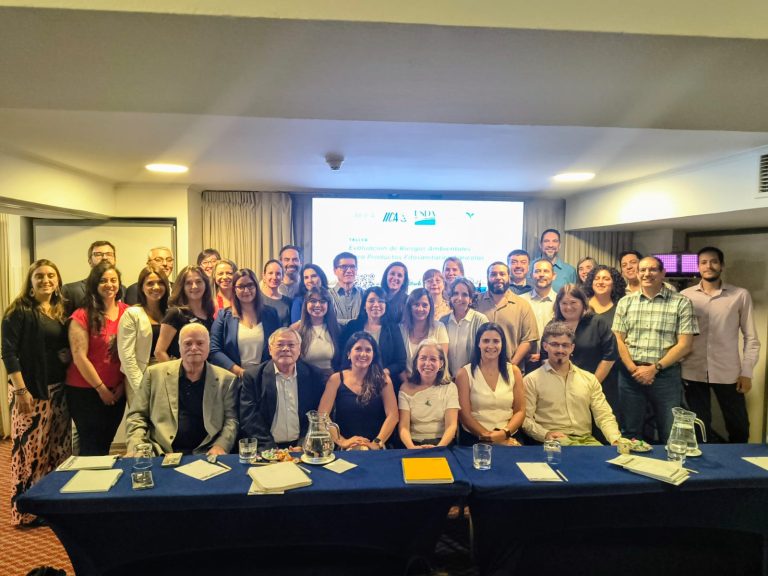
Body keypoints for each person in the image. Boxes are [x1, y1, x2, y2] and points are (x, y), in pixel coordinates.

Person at [2, 259, 71, 526]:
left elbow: (57, 345)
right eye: (39, 276)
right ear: (30, 281)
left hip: (58, 390)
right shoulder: (18, 310)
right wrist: (20, 390)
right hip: (30, 392)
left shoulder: (59, 309)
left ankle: (51, 505)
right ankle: (25, 511)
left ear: (58, 280)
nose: (46, 280)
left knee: (57, 449)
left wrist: (65, 355)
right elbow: (8, 353)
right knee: (30, 452)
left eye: (51, 275)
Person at [612, 256, 698, 443]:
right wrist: (633, 369)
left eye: (652, 269)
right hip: (630, 376)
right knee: (629, 432)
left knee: (669, 432)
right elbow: (618, 339)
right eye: (642, 270)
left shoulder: (681, 302)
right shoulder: (625, 302)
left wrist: (654, 368)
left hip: (665, 375)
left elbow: (685, 344)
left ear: (662, 273)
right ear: (637, 273)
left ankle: (670, 462)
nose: (647, 274)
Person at [681, 247, 761, 443]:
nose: (708, 266)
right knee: (699, 428)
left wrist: (747, 372)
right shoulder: (684, 296)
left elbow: (751, 338)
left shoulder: (739, 295)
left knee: (739, 426)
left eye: (714, 261)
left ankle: (739, 461)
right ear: (698, 267)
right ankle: (704, 461)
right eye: (703, 262)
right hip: (692, 371)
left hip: (728, 373)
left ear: (722, 265)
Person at [125, 323, 238, 455]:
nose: (194, 348)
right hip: (160, 452)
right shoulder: (153, 374)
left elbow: (231, 420)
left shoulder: (227, 380)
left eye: (200, 343)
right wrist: (137, 446)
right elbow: (137, 416)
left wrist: (221, 446)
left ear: (208, 347)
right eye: (188, 343)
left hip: (207, 452)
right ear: (179, 347)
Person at [65, 261, 128, 455]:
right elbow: (79, 357)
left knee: (105, 443)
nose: (109, 284)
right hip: (86, 392)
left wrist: (122, 385)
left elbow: (132, 355)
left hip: (117, 391)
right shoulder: (82, 315)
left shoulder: (129, 312)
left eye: (113, 280)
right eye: (103, 281)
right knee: (91, 446)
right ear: (94, 284)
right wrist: (101, 389)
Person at [523, 322, 621, 445]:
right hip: (552, 442)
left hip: (587, 441)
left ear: (572, 347)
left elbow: (604, 415)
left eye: (565, 345)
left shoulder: (589, 379)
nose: (560, 350)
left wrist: (615, 439)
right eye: (554, 344)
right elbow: (525, 419)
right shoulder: (531, 380)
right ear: (545, 346)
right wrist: (545, 434)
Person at [239, 327, 327, 449]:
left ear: (299, 349)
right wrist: (270, 449)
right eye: (280, 345)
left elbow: (317, 415)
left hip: (304, 447)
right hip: (266, 448)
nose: (286, 349)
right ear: (270, 349)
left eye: (291, 345)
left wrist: (303, 444)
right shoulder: (253, 377)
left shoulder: (314, 376)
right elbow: (249, 418)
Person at [552, 284, 619, 429]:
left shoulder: (598, 322)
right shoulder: (553, 326)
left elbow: (610, 355)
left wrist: (590, 387)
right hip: (562, 392)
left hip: (598, 388)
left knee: (600, 431)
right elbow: (547, 357)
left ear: (583, 303)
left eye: (573, 302)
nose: (568, 307)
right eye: (564, 303)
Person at [318, 332, 399, 450]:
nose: (363, 354)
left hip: (376, 448)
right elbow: (322, 415)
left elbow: (393, 416)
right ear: (348, 353)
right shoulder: (336, 379)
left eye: (368, 350)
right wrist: (342, 441)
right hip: (345, 448)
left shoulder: (383, 379)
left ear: (373, 355)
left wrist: (377, 443)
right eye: (358, 349)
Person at [455, 322, 524, 446]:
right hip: (475, 438)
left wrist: (504, 434)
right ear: (478, 343)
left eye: (496, 341)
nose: (491, 346)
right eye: (486, 341)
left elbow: (520, 411)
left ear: (502, 344)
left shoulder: (514, 371)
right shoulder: (464, 373)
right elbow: (464, 415)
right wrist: (489, 437)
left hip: (509, 437)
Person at [210, 268, 281, 377]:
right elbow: (214, 349)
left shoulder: (271, 314)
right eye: (241, 286)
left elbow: (278, 345)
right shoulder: (223, 316)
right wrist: (240, 372)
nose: (246, 290)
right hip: (234, 377)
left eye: (250, 285)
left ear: (256, 287)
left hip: (264, 377)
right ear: (234, 289)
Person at [117, 265, 170, 404]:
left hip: (168, 375)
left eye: (160, 282)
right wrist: (141, 387)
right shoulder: (132, 314)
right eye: (150, 283)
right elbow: (126, 356)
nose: (156, 287)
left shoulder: (171, 312)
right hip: (141, 375)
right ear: (141, 287)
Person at [337, 286, 407, 388]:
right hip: (354, 380)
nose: (376, 305)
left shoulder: (393, 329)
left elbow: (400, 362)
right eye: (371, 301)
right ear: (364, 305)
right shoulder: (352, 326)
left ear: (386, 305)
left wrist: (382, 373)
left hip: (384, 381)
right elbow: (343, 355)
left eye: (381, 301)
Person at [398, 340, 460, 449]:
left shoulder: (450, 388)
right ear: (416, 362)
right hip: (413, 444)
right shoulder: (405, 388)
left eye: (433, 359)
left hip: (443, 444)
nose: (427, 363)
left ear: (441, 363)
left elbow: (451, 426)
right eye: (423, 358)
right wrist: (412, 448)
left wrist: (439, 448)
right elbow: (403, 427)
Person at [476, 262, 538, 367]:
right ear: (487, 278)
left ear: (509, 277)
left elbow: (528, 340)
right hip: (479, 368)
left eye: (502, 274)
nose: (498, 277)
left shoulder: (522, 305)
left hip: (512, 369)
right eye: (493, 274)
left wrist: (511, 366)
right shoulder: (476, 302)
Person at [155, 265, 215, 362]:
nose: (194, 286)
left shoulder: (209, 313)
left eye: (198, 281)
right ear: (182, 287)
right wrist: (174, 371)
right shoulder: (175, 314)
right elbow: (159, 352)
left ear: (205, 284)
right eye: (188, 283)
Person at [441, 277, 489, 378]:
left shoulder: (480, 320)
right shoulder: (443, 322)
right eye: (455, 293)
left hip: (473, 379)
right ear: (450, 297)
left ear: (471, 299)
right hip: (448, 380)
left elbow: (486, 353)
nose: (459, 298)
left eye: (464, 295)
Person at [61, 240, 126, 312]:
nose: (104, 257)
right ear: (90, 261)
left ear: (115, 260)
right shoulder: (71, 291)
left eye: (109, 254)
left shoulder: (122, 289)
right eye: (98, 254)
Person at [291, 287, 340, 378]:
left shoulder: (336, 328)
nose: (317, 305)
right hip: (304, 379)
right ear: (306, 304)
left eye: (322, 301)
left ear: (328, 305)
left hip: (330, 379)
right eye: (313, 301)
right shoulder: (296, 329)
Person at [398, 288, 449, 378]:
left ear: (430, 307)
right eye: (416, 304)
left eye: (425, 305)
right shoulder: (401, 329)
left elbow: (442, 360)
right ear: (409, 307)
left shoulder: (439, 327)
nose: (420, 309)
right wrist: (408, 383)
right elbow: (398, 363)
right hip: (407, 382)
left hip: (434, 381)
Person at [522, 258, 557, 369]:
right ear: (531, 275)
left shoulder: (561, 302)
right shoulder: (521, 301)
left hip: (554, 362)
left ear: (554, 276)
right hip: (525, 362)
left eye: (546, 271)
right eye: (537, 271)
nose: (541, 274)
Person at [329, 252, 362, 326]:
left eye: (352, 267)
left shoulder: (364, 294)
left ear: (356, 270)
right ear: (335, 270)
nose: (349, 271)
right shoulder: (327, 295)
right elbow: (327, 321)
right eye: (344, 267)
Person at [261, 259, 293, 327]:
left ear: (282, 277)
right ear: (264, 276)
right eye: (270, 273)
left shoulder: (288, 302)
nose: (274, 277)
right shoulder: (256, 298)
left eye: (278, 274)